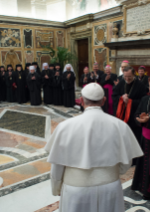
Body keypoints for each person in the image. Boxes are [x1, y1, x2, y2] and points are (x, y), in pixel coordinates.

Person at [45, 83, 143, 212]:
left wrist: (56, 187)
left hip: (76, 190)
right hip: (110, 188)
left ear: (81, 101)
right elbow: (126, 162)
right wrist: (108, 173)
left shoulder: (65, 127)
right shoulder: (120, 125)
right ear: (103, 101)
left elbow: (57, 164)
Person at [112, 67, 147, 147]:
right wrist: (121, 98)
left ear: (134, 74)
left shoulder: (140, 85)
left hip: (133, 116)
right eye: (125, 76)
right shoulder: (121, 83)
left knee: (134, 139)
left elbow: (143, 101)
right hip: (121, 115)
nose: (127, 79)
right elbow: (114, 96)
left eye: (129, 76)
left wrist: (131, 102)